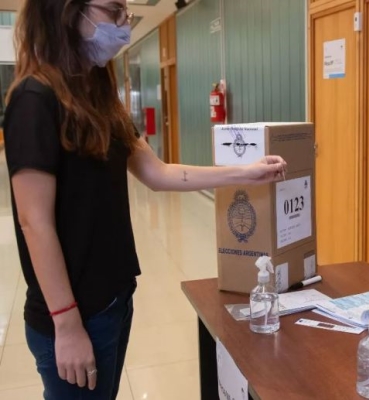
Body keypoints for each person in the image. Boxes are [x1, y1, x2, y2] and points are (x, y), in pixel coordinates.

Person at [2, 1, 287, 399]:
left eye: (126, 15)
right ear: (67, 11)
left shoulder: (99, 98)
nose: (123, 26)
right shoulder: (34, 99)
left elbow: (159, 172)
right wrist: (66, 324)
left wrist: (247, 172)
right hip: (72, 316)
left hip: (114, 299)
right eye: (113, 12)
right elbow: (35, 222)